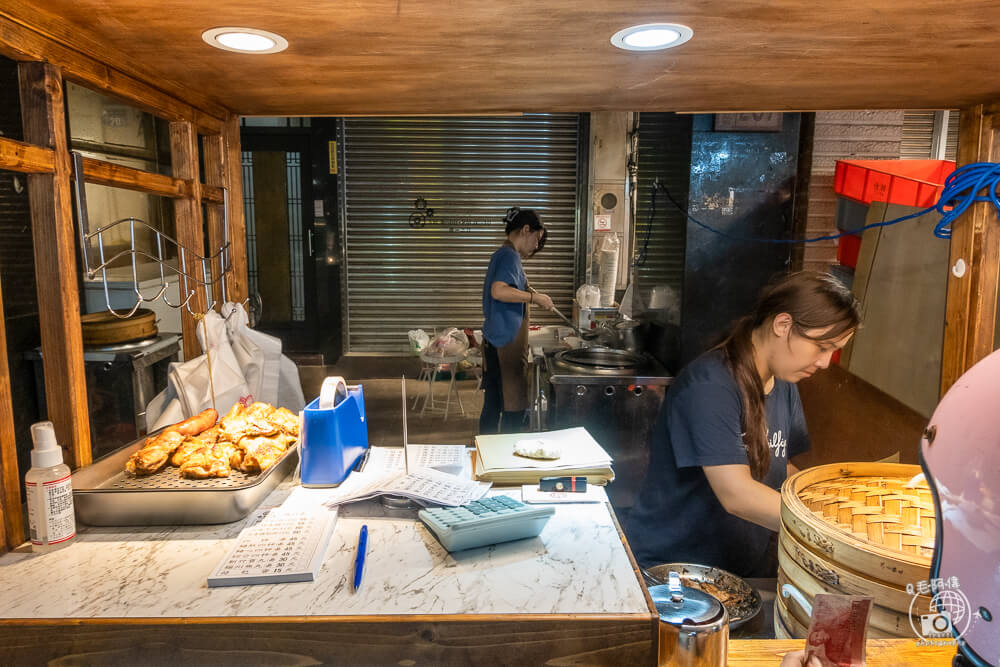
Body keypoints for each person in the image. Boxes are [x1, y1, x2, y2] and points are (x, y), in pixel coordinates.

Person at [626, 271, 861, 577]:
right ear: (783, 324)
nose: (825, 362)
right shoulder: (710, 385)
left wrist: (830, 502)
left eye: (835, 350)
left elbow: (779, 464)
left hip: (738, 567)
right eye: (822, 346)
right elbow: (736, 494)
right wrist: (829, 532)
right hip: (675, 569)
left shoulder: (783, 380)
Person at [479, 207, 553, 434]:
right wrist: (534, 297)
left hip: (496, 342)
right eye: (537, 239)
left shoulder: (503, 254)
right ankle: (505, 460)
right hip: (505, 347)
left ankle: (487, 455)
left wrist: (528, 289)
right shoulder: (509, 256)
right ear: (526, 230)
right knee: (512, 408)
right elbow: (498, 291)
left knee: (493, 405)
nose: (536, 246)